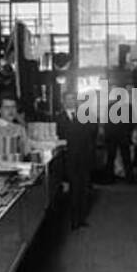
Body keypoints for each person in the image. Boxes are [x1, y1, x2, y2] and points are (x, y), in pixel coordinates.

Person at [56, 89, 96, 229]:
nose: (70, 101)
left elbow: (91, 133)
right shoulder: (58, 119)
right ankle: (73, 219)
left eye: (73, 99)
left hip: (84, 158)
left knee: (83, 188)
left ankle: (81, 218)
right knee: (73, 189)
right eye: (68, 99)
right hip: (68, 159)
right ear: (63, 101)